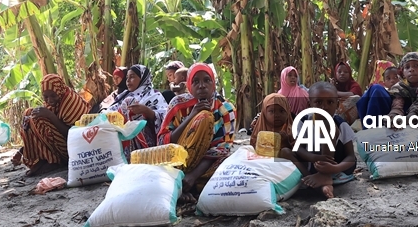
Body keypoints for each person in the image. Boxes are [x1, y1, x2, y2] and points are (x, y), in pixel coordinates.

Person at [158, 63, 236, 203]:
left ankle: (187, 185)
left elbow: (223, 147)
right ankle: (182, 183)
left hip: (205, 166)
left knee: (230, 162)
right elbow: (164, 141)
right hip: (177, 162)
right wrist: (191, 116)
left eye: (207, 80)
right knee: (204, 118)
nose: (201, 86)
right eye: (195, 81)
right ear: (188, 85)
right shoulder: (178, 103)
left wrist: (193, 176)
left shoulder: (226, 109)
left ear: (213, 84)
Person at [14, 74, 90, 175]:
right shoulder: (54, 102)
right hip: (63, 143)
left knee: (39, 119)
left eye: (53, 96)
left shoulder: (70, 102)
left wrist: (50, 116)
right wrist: (21, 151)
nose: (49, 100)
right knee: (28, 114)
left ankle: (55, 161)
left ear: (59, 91)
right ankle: (41, 161)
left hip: (75, 148)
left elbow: (75, 135)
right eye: (45, 97)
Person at [293, 82, 357, 199]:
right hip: (313, 164)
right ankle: (319, 183)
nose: (324, 107)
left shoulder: (341, 124)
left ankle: (325, 177)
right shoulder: (303, 121)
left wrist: (335, 168)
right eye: (318, 102)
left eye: (330, 102)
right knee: (286, 152)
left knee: (327, 125)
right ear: (309, 104)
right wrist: (313, 158)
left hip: (336, 167)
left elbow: (351, 158)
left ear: (337, 105)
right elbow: (298, 148)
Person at [108, 64, 168, 153]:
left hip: (147, 145)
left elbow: (165, 117)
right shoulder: (124, 95)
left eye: (132, 77)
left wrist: (146, 110)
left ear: (143, 78)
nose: (128, 80)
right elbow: (111, 110)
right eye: (127, 77)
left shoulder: (154, 96)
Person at [249, 93, 296, 160]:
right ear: (265, 113)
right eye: (272, 111)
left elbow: (299, 153)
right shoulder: (260, 129)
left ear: (288, 112)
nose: (277, 115)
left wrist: (286, 142)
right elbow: (253, 148)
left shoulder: (292, 130)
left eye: (281, 111)